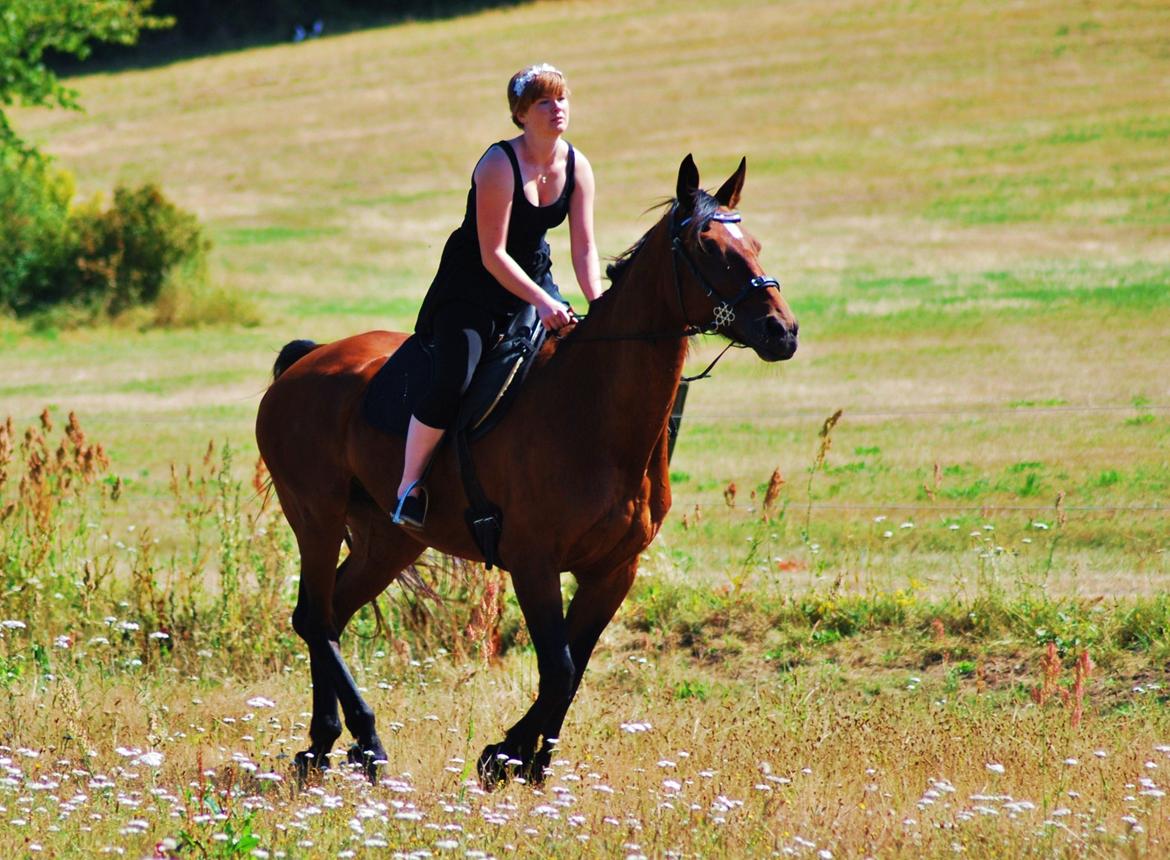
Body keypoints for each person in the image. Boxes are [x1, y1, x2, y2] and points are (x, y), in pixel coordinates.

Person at [392, 63, 603, 529]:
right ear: (521, 115)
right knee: (454, 379)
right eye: (544, 102)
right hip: (472, 291)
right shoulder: (497, 164)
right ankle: (408, 489)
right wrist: (546, 304)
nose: (557, 109)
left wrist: (599, 303)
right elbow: (493, 255)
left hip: (533, 281)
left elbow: (585, 246)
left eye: (562, 99)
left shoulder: (577, 165)